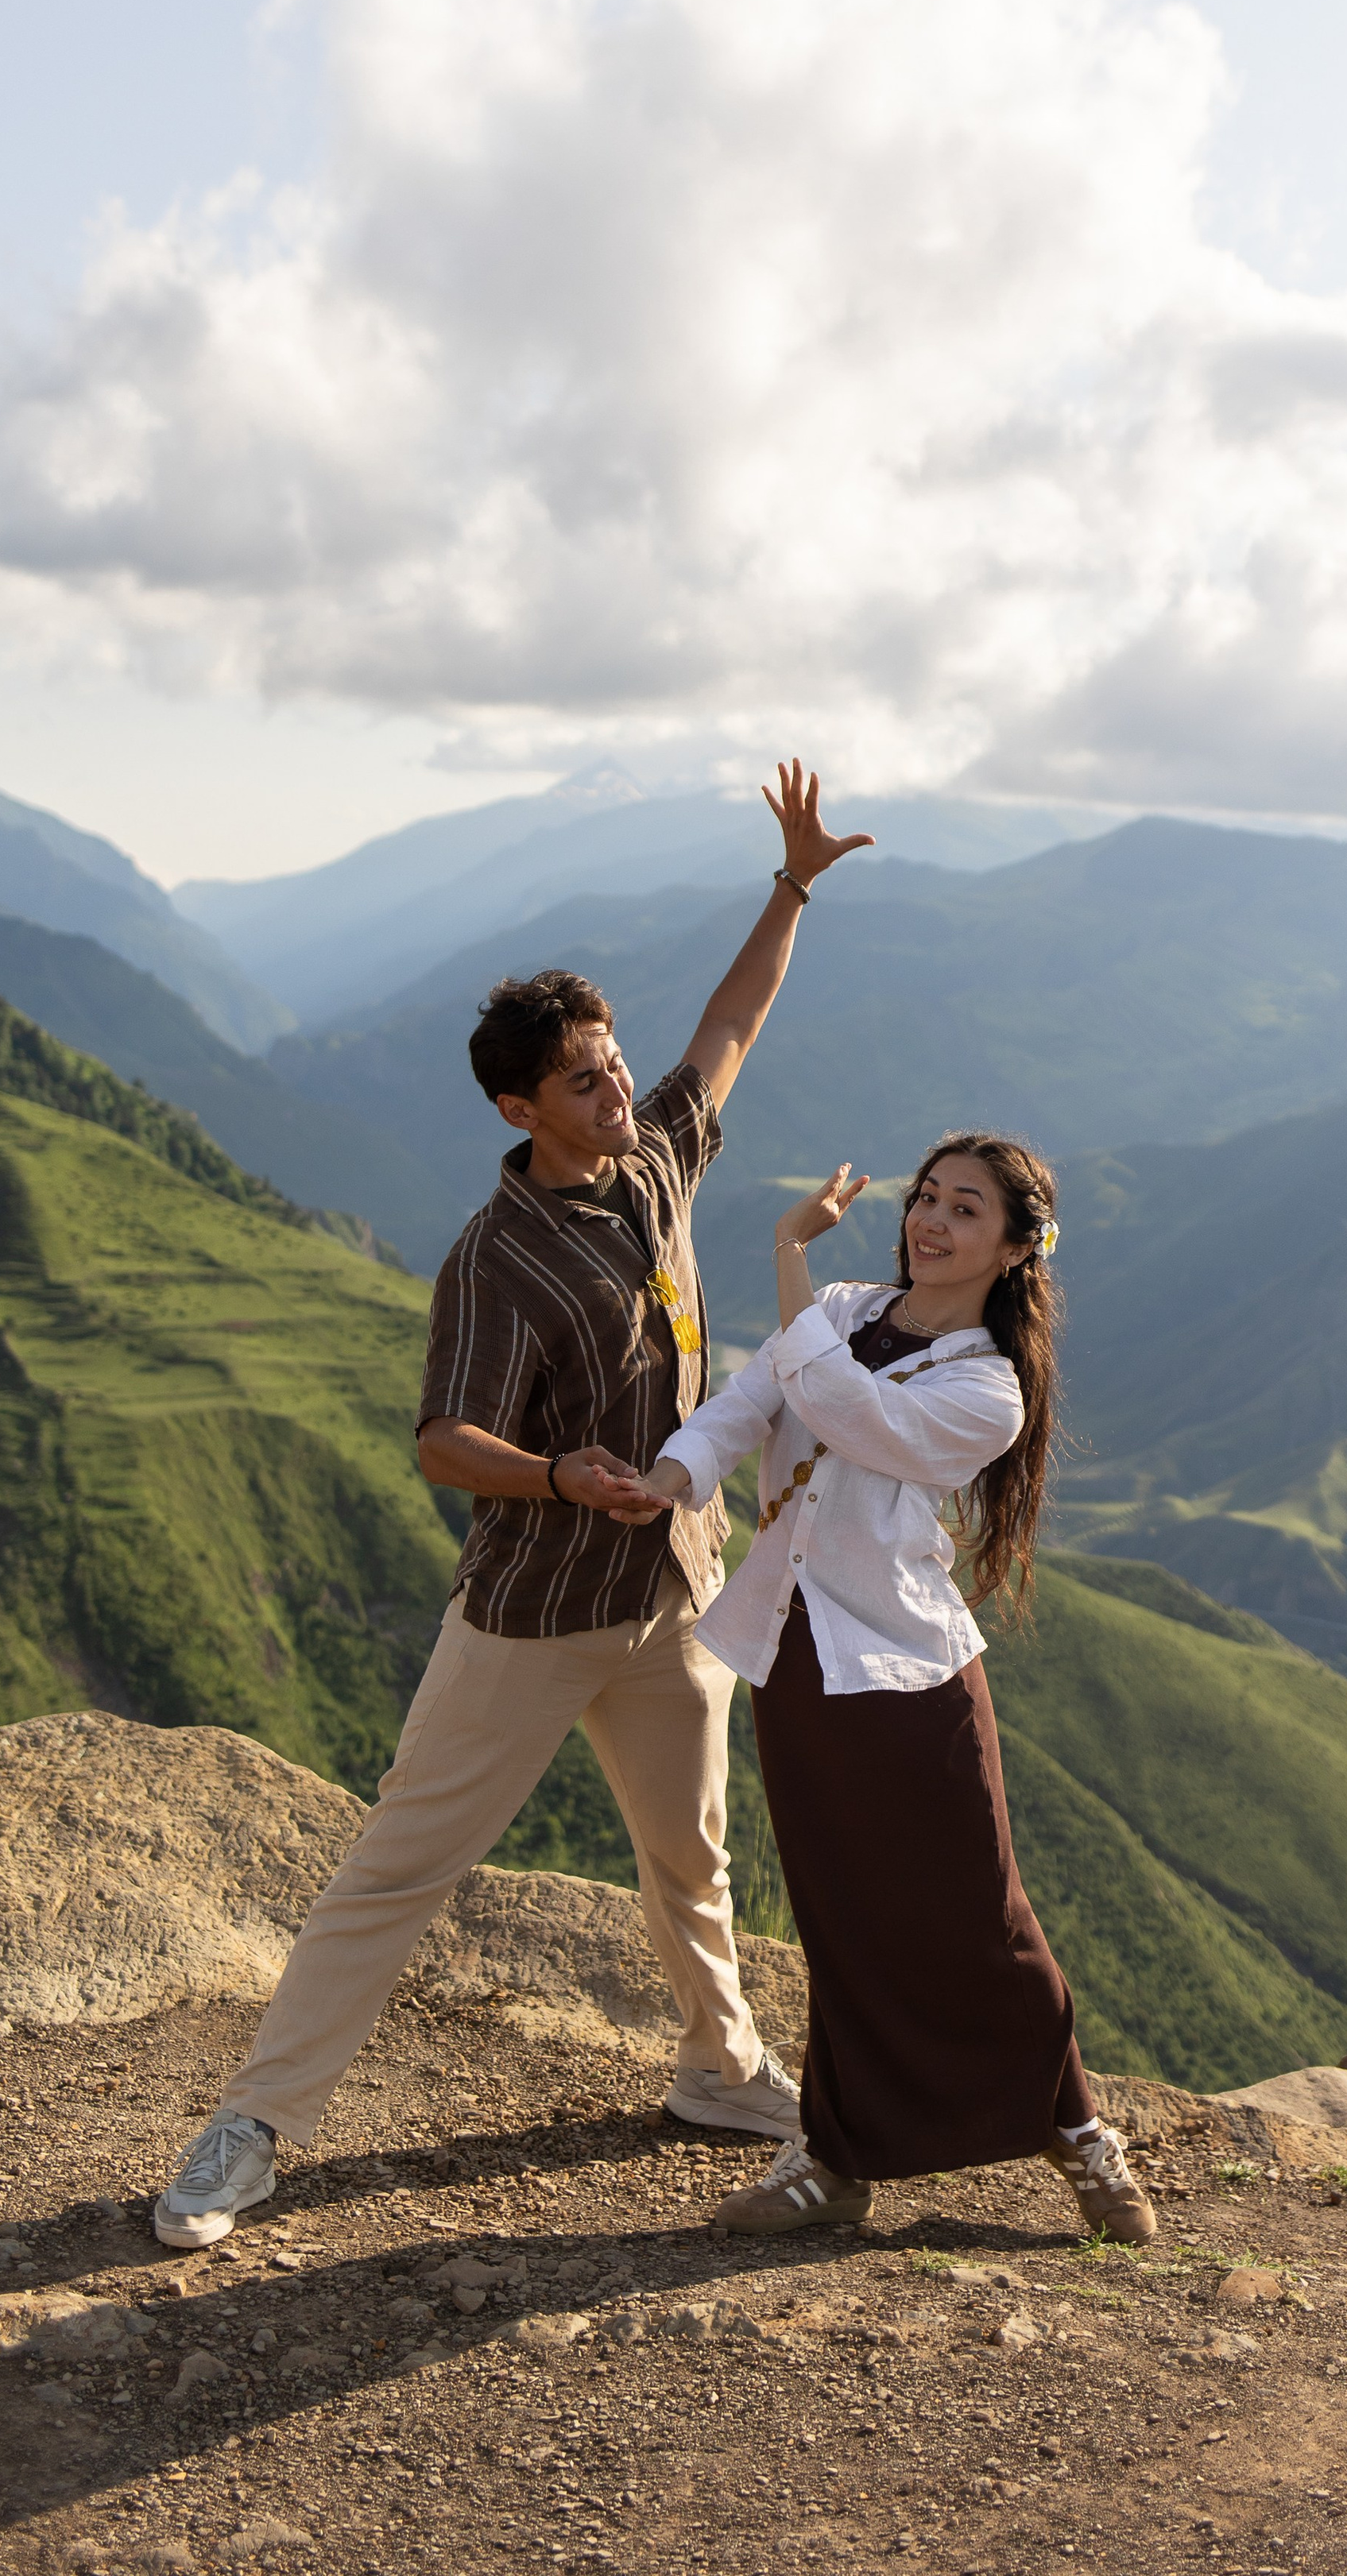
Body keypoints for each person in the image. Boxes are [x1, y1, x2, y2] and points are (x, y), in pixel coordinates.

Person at [150, 761, 873, 2250]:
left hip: (671, 1590)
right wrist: (553, 1472)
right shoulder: (497, 1257)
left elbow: (729, 1025)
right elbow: (440, 1439)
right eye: (585, 1079)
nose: (617, 1086)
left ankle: (721, 2069)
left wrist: (792, 884)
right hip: (534, 1615)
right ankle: (255, 2127)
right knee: (399, 1867)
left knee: (693, 1857)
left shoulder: (657, 1160)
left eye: (613, 1064)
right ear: (517, 1104)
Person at [631, 1133, 1157, 2242]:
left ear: (1016, 1247)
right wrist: (669, 1478)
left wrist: (783, 1248)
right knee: (841, 1913)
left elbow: (840, 1410)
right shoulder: (849, 1303)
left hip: (909, 1672)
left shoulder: (988, 1387)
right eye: (926, 1196)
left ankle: (1076, 2129)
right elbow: (750, 1401)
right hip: (798, 1655)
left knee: (980, 1915)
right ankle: (835, 2157)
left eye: (966, 1208)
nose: (931, 1218)